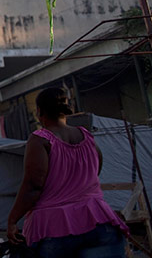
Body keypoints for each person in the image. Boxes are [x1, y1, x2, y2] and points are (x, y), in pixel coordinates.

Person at [7, 87, 128, 257]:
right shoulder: (87, 137)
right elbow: (95, 170)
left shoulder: (40, 139)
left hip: (54, 229)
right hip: (99, 221)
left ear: (39, 111)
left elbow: (33, 185)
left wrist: (12, 220)